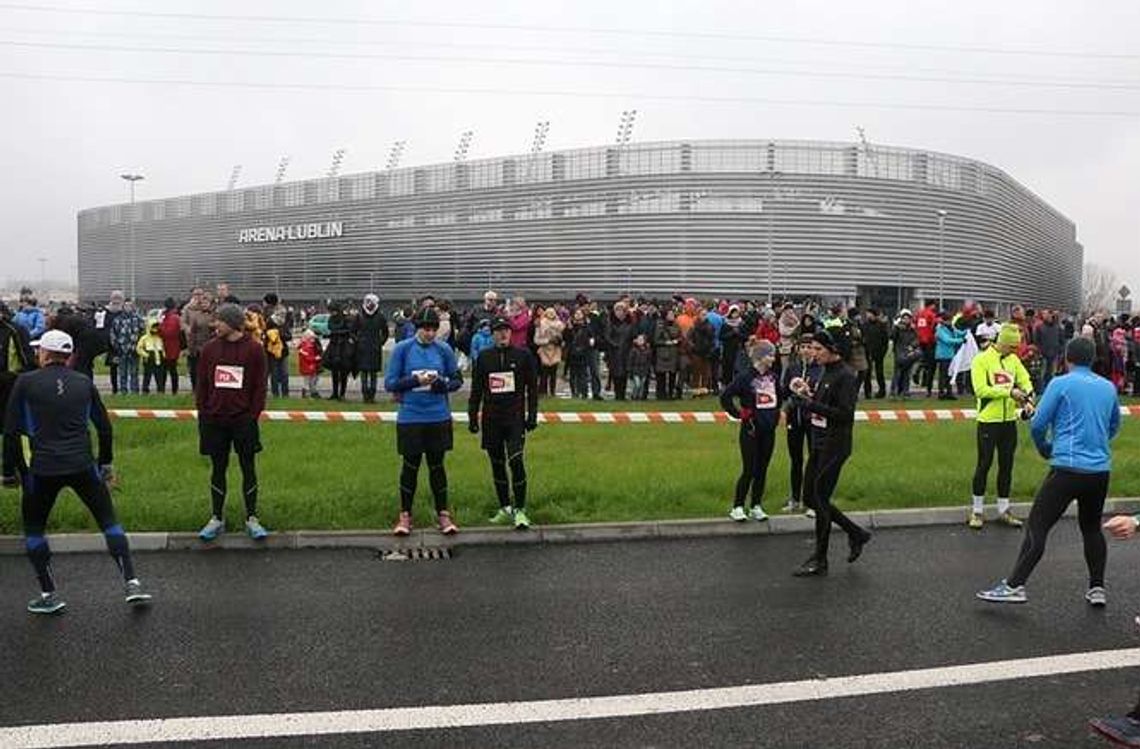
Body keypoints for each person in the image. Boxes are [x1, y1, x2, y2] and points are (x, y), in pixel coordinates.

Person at [3, 329, 151, 614]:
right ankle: (132, 582)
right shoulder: (83, 382)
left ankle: (48, 593)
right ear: (69, 356)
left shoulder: (25, 382)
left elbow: (10, 432)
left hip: (41, 469)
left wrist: (8, 471)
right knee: (109, 522)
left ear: (43, 353)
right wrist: (105, 465)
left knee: (34, 530)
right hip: (82, 465)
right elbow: (104, 428)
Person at [977, 337, 1121, 606]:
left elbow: (1038, 423)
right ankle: (1097, 587)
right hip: (1099, 471)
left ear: (1067, 358)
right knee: (1091, 527)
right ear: (1093, 359)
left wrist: (1046, 448)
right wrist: (1096, 443)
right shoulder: (1108, 387)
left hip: (1066, 467)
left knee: (1037, 525)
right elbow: (1113, 426)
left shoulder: (1061, 384)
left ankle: (1015, 585)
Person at [788, 329, 871, 576]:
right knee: (811, 498)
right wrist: (806, 395)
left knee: (820, 498)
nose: (813, 353)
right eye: (811, 348)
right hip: (819, 441)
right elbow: (825, 403)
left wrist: (811, 404)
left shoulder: (845, 376)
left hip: (835, 444)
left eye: (817, 349)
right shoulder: (826, 372)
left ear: (832, 350)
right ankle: (856, 533)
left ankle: (820, 559)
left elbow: (845, 413)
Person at [384, 307, 463, 536]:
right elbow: (390, 383)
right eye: (425, 329)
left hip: (438, 416)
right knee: (410, 467)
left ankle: (443, 514)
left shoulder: (444, 349)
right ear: (417, 329)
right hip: (411, 417)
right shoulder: (403, 349)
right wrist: (414, 380)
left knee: (437, 466)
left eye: (433, 330)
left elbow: (457, 380)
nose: (429, 334)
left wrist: (443, 386)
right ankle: (405, 515)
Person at [195, 304, 269, 542]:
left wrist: (252, 415)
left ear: (233, 323)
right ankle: (216, 517)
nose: (214, 325)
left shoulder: (255, 350)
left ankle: (252, 517)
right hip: (215, 421)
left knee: (248, 468)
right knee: (218, 469)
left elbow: (260, 387)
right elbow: (202, 385)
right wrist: (204, 413)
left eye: (219, 321)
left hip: (243, 421)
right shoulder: (209, 349)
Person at [468, 316, 539, 530]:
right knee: (497, 464)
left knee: (516, 462)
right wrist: (473, 417)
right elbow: (476, 390)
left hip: (514, 419)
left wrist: (532, 416)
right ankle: (504, 507)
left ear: (511, 332)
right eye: (498, 330)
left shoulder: (523, 355)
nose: (503, 334)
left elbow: (533, 390)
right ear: (493, 334)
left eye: (506, 330)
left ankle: (520, 509)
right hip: (492, 420)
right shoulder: (484, 357)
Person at [968, 323, 1033, 530]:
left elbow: (1025, 380)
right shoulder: (981, 360)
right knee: (984, 464)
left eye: (1016, 348)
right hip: (988, 421)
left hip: (1008, 422)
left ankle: (1003, 510)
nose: (1015, 351)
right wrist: (1009, 392)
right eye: (1012, 347)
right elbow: (980, 390)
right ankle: (977, 511)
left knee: (1007, 465)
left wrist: (1029, 397)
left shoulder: (1013, 360)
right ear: (1001, 343)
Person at [721, 340, 781, 522]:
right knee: (749, 469)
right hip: (751, 430)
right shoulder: (745, 377)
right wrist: (738, 414)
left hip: (769, 430)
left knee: (762, 469)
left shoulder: (773, 377)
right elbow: (726, 396)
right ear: (761, 357)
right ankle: (738, 506)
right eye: (770, 355)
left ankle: (756, 505)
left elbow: (780, 395)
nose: (773, 358)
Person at [781, 335, 822, 515]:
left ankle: (813, 501)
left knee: (815, 459)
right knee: (795, 459)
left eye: (809, 347)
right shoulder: (793, 368)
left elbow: (823, 394)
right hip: (794, 418)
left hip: (812, 419)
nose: (806, 350)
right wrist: (791, 387)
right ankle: (795, 498)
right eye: (802, 347)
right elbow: (783, 391)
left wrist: (809, 392)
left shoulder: (820, 369)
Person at [353, 294, 389, 404]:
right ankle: (366, 396)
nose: (370, 305)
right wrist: (358, 341)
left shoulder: (379, 317)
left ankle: (371, 396)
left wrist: (380, 342)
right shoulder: (359, 316)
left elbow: (385, 332)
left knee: (372, 374)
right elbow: (353, 331)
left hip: (373, 348)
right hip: (365, 348)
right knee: (365, 373)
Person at [182, 288, 214, 392]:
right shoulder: (188, 308)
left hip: (207, 343)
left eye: (200, 294)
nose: (198, 296)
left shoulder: (210, 310)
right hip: (193, 343)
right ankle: (195, 389)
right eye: (196, 294)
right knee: (194, 369)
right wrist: (188, 330)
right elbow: (183, 323)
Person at [111, 301, 144, 395]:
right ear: (123, 307)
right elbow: (113, 334)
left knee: (134, 372)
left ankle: (134, 391)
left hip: (134, 350)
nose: (128, 307)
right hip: (122, 350)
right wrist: (116, 347)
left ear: (133, 307)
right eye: (126, 306)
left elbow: (143, 333)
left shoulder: (138, 319)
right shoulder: (117, 320)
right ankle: (123, 391)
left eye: (130, 306)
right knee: (122, 373)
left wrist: (138, 347)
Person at [324, 302, 355, 401]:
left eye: (334, 311)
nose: (332, 313)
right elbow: (330, 327)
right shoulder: (332, 319)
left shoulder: (345, 318)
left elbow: (349, 330)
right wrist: (337, 332)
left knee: (343, 371)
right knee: (334, 371)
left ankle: (342, 393)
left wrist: (336, 332)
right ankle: (335, 393)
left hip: (343, 345)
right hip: (334, 345)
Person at [158, 297, 183, 396]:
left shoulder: (173, 318)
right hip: (168, 348)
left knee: (171, 371)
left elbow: (169, 332)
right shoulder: (170, 316)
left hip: (170, 348)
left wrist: (160, 327)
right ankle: (167, 390)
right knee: (167, 371)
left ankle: (173, 390)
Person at [862, 308, 889, 399]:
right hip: (867, 352)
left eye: (869, 314)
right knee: (867, 373)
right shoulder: (864, 326)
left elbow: (885, 340)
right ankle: (867, 392)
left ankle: (882, 391)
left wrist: (883, 352)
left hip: (878, 352)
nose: (868, 316)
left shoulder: (881, 326)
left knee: (879, 373)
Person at [264, 309, 290, 398]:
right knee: (274, 373)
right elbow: (267, 337)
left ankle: (285, 393)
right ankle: (275, 393)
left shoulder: (284, 323)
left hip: (284, 351)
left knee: (285, 373)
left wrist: (281, 334)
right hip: (272, 351)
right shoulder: (269, 323)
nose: (283, 317)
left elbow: (288, 336)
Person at [137, 318, 165, 395]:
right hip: (148, 360)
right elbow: (139, 348)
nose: (155, 329)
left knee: (159, 376)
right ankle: (145, 391)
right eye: (153, 327)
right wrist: (146, 355)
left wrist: (164, 355)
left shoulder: (160, 338)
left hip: (159, 359)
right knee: (147, 377)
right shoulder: (144, 338)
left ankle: (160, 391)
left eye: (156, 327)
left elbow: (163, 348)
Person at [297, 329, 322, 399]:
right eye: (312, 338)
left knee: (309, 380)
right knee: (308, 381)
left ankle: (308, 393)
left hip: (307, 366)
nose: (313, 339)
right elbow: (308, 357)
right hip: (308, 366)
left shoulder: (305, 345)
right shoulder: (307, 346)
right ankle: (307, 394)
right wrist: (315, 358)